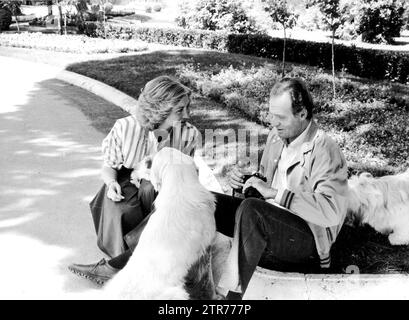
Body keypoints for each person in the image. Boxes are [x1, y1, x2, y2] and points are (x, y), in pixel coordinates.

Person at [70, 77, 348, 300]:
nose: (272, 124)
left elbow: (332, 212)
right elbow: (265, 185)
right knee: (203, 201)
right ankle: (126, 266)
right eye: (271, 116)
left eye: (280, 118)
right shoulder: (279, 138)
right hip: (271, 223)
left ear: (302, 113)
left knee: (252, 210)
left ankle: (230, 297)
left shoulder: (324, 148)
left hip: (307, 242)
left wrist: (274, 194)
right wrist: (248, 182)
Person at [68, 75, 200, 284]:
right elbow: (109, 166)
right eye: (180, 110)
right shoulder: (126, 128)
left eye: (187, 107)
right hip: (126, 181)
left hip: (166, 190)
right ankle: (131, 264)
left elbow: (186, 175)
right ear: (160, 109)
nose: (187, 114)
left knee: (157, 199)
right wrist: (111, 184)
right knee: (125, 208)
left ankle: (114, 268)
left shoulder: (189, 134)